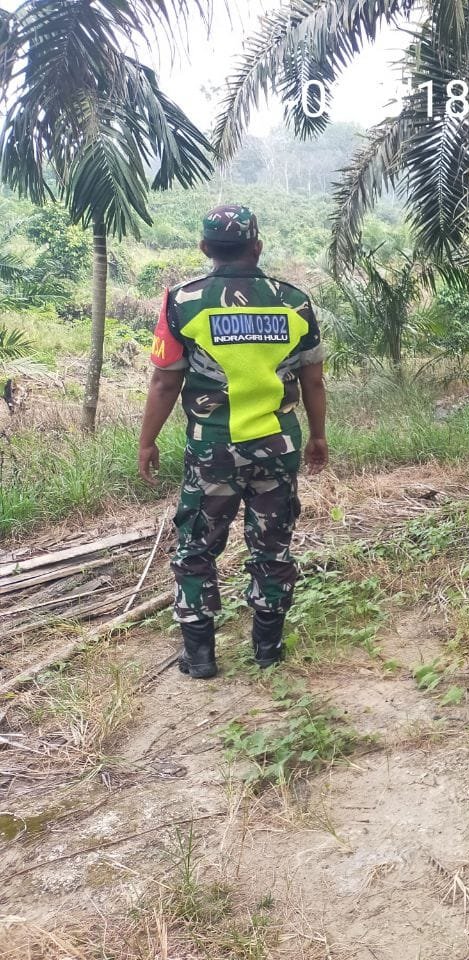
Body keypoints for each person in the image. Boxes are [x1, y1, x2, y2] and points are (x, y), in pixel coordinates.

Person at [138, 205, 328, 679]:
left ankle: (200, 655)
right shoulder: (294, 301)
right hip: (277, 447)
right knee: (272, 545)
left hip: (213, 450)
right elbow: (313, 380)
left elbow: (165, 381)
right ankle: (267, 648)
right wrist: (318, 435)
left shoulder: (182, 301)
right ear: (257, 246)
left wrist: (147, 442)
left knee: (196, 547)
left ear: (205, 248)